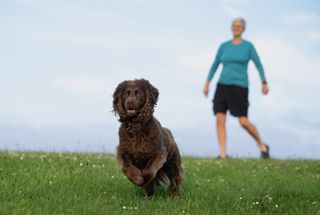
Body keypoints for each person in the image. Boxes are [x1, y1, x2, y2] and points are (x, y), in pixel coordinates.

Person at [203, 17, 270, 159]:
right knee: (220, 119)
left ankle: (262, 145)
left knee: (243, 122)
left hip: (240, 86)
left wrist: (263, 82)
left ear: (243, 29)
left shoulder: (248, 46)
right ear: (231, 28)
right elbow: (215, 65)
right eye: (234, 25)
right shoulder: (224, 46)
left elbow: (259, 64)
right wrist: (207, 83)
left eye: (239, 26)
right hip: (222, 85)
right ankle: (223, 155)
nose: (236, 27)